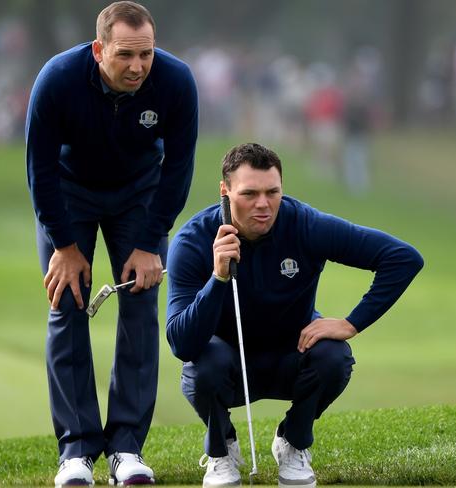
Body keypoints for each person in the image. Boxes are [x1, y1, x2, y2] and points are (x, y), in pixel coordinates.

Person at [166, 143, 423, 488]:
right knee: (202, 365)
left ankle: (293, 440)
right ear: (225, 191)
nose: (263, 204)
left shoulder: (305, 225)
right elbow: (182, 344)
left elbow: (402, 258)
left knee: (334, 357)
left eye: (273, 192)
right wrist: (218, 277)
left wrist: (351, 323)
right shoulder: (193, 240)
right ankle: (221, 448)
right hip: (229, 367)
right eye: (250, 193)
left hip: (292, 357)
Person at [25, 2, 198, 486]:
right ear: (100, 48)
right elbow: (38, 169)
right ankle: (76, 451)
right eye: (125, 55)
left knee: (141, 306)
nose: (138, 66)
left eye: (146, 54)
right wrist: (63, 245)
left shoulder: (176, 82)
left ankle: (126, 447)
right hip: (68, 192)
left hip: (139, 197)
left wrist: (149, 243)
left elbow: (179, 169)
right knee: (67, 302)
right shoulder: (57, 78)